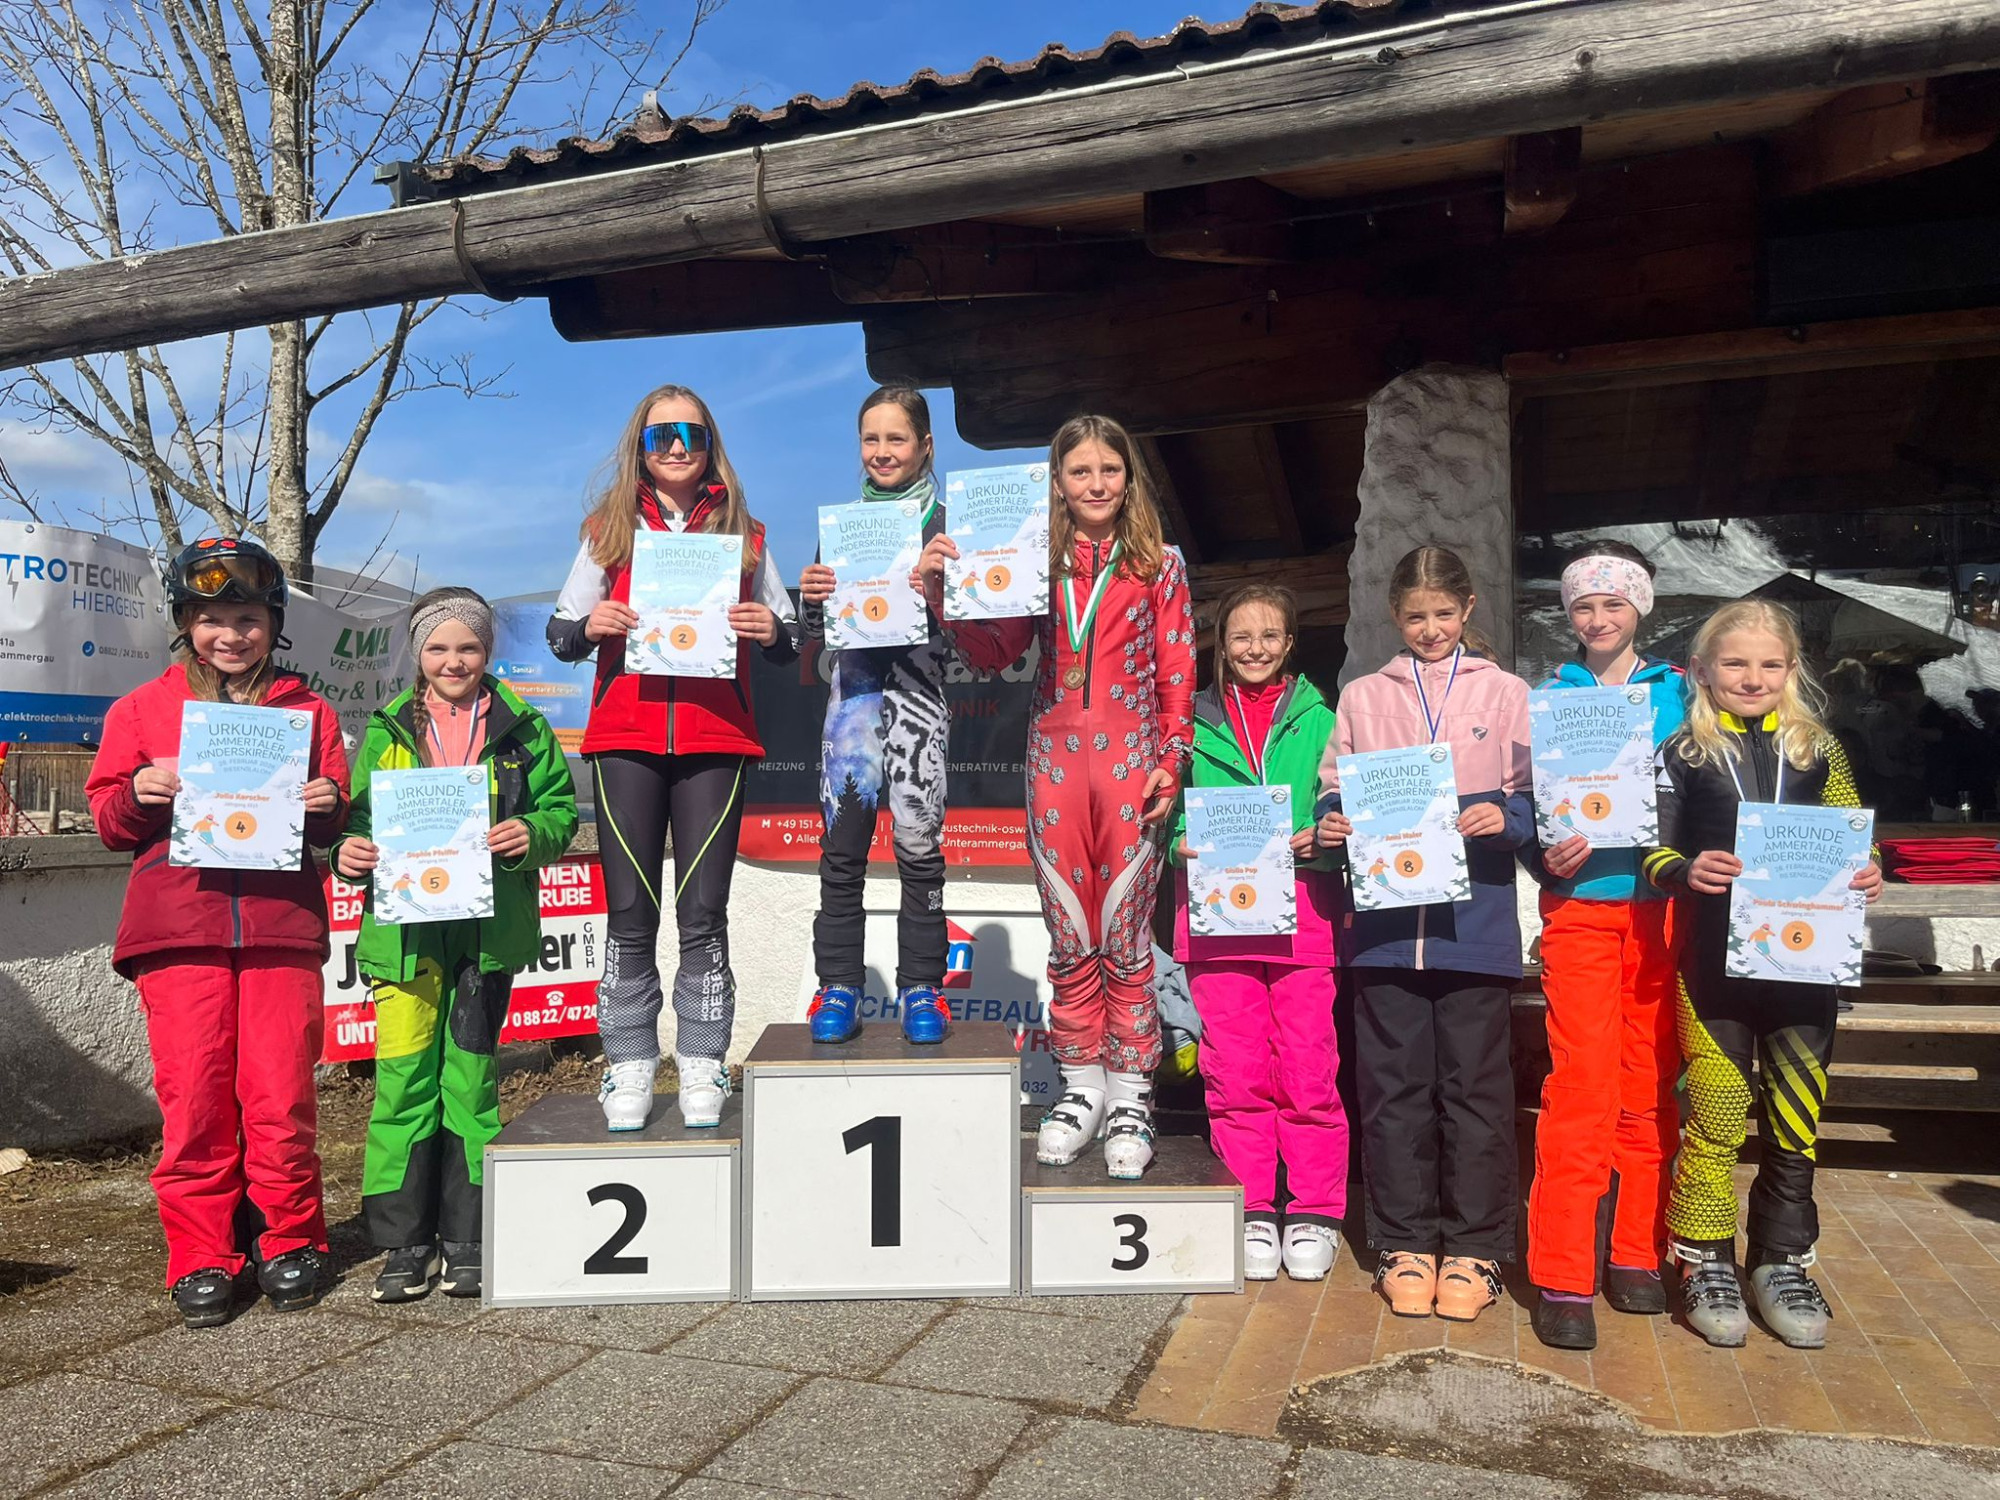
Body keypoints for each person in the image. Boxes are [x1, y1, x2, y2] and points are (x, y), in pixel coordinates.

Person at [84, 537, 349, 1328]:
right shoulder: (140, 709)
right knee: (195, 1101)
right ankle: (202, 1252)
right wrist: (136, 790)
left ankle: (290, 1237)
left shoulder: (309, 711)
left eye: (248, 618)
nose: (231, 635)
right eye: (211, 619)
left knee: (281, 1097)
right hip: (179, 933)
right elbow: (107, 820)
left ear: (274, 624)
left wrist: (328, 803)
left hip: (279, 933)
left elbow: (333, 823)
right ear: (184, 624)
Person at [937, 415, 1195, 1179]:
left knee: (1125, 933)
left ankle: (1133, 1097)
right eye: (1080, 472)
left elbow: (1178, 669)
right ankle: (1081, 1086)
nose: (1096, 484)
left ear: (1129, 477)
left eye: (1110, 470)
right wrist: (946, 590)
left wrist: (1173, 759)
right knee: (1070, 932)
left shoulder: (1161, 564)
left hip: (1133, 765)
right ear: (1057, 482)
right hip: (1052, 761)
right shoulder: (1032, 560)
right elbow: (997, 653)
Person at [548, 385, 798, 1131]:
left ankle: (700, 1059)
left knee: (703, 914)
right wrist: (593, 624)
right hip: (624, 737)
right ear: (641, 448)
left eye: (692, 433)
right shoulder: (606, 528)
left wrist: (768, 628)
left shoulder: (746, 533)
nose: (678, 446)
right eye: (662, 436)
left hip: (715, 738)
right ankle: (628, 1059)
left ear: (711, 444)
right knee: (630, 913)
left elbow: (788, 639)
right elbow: (561, 633)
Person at [1643, 599, 1882, 1349]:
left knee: (1795, 1122)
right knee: (1716, 1116)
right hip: (1713, 969)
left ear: (1791, 670)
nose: (1753, 677)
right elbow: (1650, 848)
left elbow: (1855, 834)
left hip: (1807, 969)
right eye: (1736, 663)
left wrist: (1871, 869)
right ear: (1703, 670)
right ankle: (1704, 1259)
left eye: (1770, 664)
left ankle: (1781, 1261)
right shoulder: (1684, 751)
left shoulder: (1818, 748)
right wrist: (1685, 869)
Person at [333, 588, 578, 1302]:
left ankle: (468, 1237)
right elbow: (356, 821)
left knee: (470, 1082)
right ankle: (404, 1243)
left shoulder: (524, 728)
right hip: (405, 940)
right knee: (403, 1082)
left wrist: (532, 834)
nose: (453, 661)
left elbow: (560, 810)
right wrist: (348, 852)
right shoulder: (386, 729)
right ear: (419, 655)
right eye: (438, 648)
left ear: (487, 652)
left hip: (485, 935)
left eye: (468, 647)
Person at [1315, 545, 1531, 1323]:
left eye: (1443, 613)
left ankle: (1476, 1248)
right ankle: (1403, 1242)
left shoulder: (1507, 692)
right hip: (1383, 931)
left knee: (1475, 1093)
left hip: (1474, 925)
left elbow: (1536, 799)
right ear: (1394, 616)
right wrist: (1331, 823)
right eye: (1415, 616)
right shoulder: (1362, 696)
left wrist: (1505, 816)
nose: (1431, 628)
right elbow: (1333, 789)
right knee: (1392, 1092)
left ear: (1468, 609)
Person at [1521, 541, 1687, 1350]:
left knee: (1649, 1083)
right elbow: (1525, 804)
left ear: (1639, 607)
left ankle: (1636, 1252)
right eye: (1583, 605)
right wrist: (1539, 855)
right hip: (1582, 906)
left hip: (1662, 911)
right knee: (1580, 1085)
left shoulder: (1682, 692)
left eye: (1613, 603)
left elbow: (1717, 790)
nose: (1597, 618)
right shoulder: (1549, 697)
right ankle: (1563, 1272)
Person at [1171, 583, 1347, 1280]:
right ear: (1222, 642)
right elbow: (1162, 813)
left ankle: (1314, 1210)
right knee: (1236, 1070)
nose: (1255, 649)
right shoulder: (1189, 722)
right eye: (1241, 636)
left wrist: (1322, 839)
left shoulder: (1323, 719)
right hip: (1219, 920)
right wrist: (1178, 842)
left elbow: (1340, 810)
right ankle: (1249, 1205)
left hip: (1303, 917)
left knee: (1307, 1068)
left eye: (1270, 636)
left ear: (1290, 642)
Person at [799, 387, 959, 1045]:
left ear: (925, 446)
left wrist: (940, 586)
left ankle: (922, 986)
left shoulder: (946, 525)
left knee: (919, 845)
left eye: (897, 438)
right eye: (872, 439)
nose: (883, 451)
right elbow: (818, 635)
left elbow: (976, 630)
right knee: (842, 848)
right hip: (854, 703)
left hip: (919, 700)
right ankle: (838, 984)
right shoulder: (842, 527)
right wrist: (812, 600)